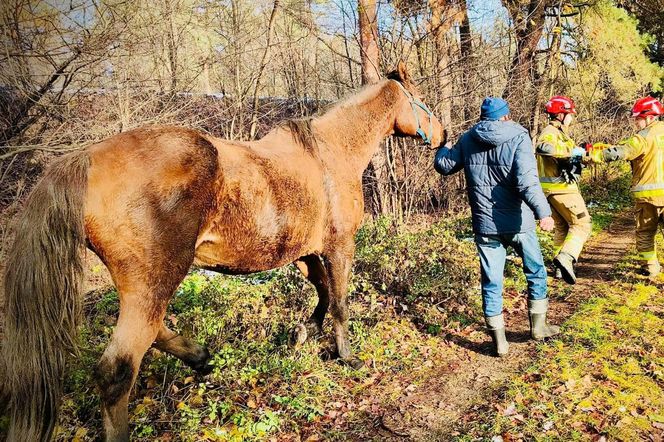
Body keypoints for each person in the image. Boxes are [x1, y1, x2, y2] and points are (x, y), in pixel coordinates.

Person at [434, 97, 559, 358]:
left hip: (485, 224)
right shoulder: (519, 135)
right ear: (505, 116)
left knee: (491, 281)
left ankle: (500, 343)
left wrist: (443, 147)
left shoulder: (468, 138)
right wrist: (543, 212)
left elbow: (444, 166)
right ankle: (538, 328)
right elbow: (527, 182)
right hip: (519, 222)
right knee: (535, 270)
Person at [591, 96, 664, 278]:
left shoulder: (643, 137)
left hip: (649, 197)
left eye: (637, 118)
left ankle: (650, 267)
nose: (635, 121)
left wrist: (594, 155)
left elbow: (621, 152)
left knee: (646, 231)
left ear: (649, 117)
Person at [535, 96, 592, 284]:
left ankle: (559, 269)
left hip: (550, 191)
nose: (571, 118)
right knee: (582, 225)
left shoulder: (559, 132)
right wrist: (571, 152)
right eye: (569, 114)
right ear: (560, 114)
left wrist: (580, 154)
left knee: (563, 227)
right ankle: (567, 257)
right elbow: (544, 147)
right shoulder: (551, 132)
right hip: (562, 189)